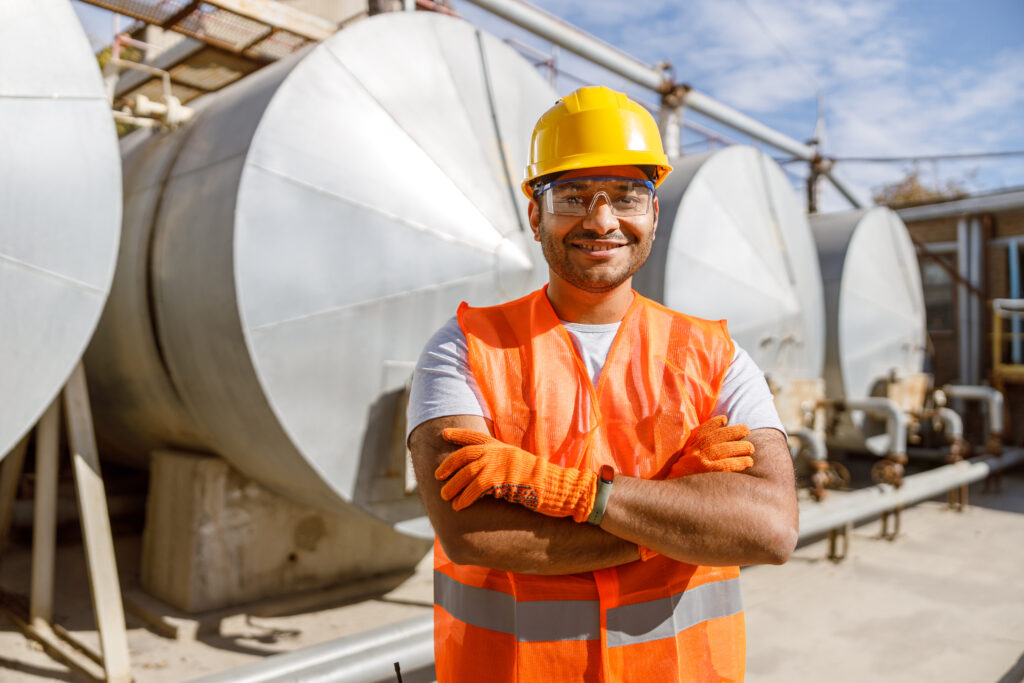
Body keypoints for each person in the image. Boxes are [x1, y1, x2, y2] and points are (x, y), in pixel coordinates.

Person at [407, 85, 798, 682]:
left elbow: (769, 529)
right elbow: (474, 534)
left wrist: (581, 496)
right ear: (535, 214)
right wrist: (683, 516)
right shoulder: (463, 348)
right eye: (572, 196)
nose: (601, 220)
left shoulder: (716, 355)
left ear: (653, 214)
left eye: (626, 196)